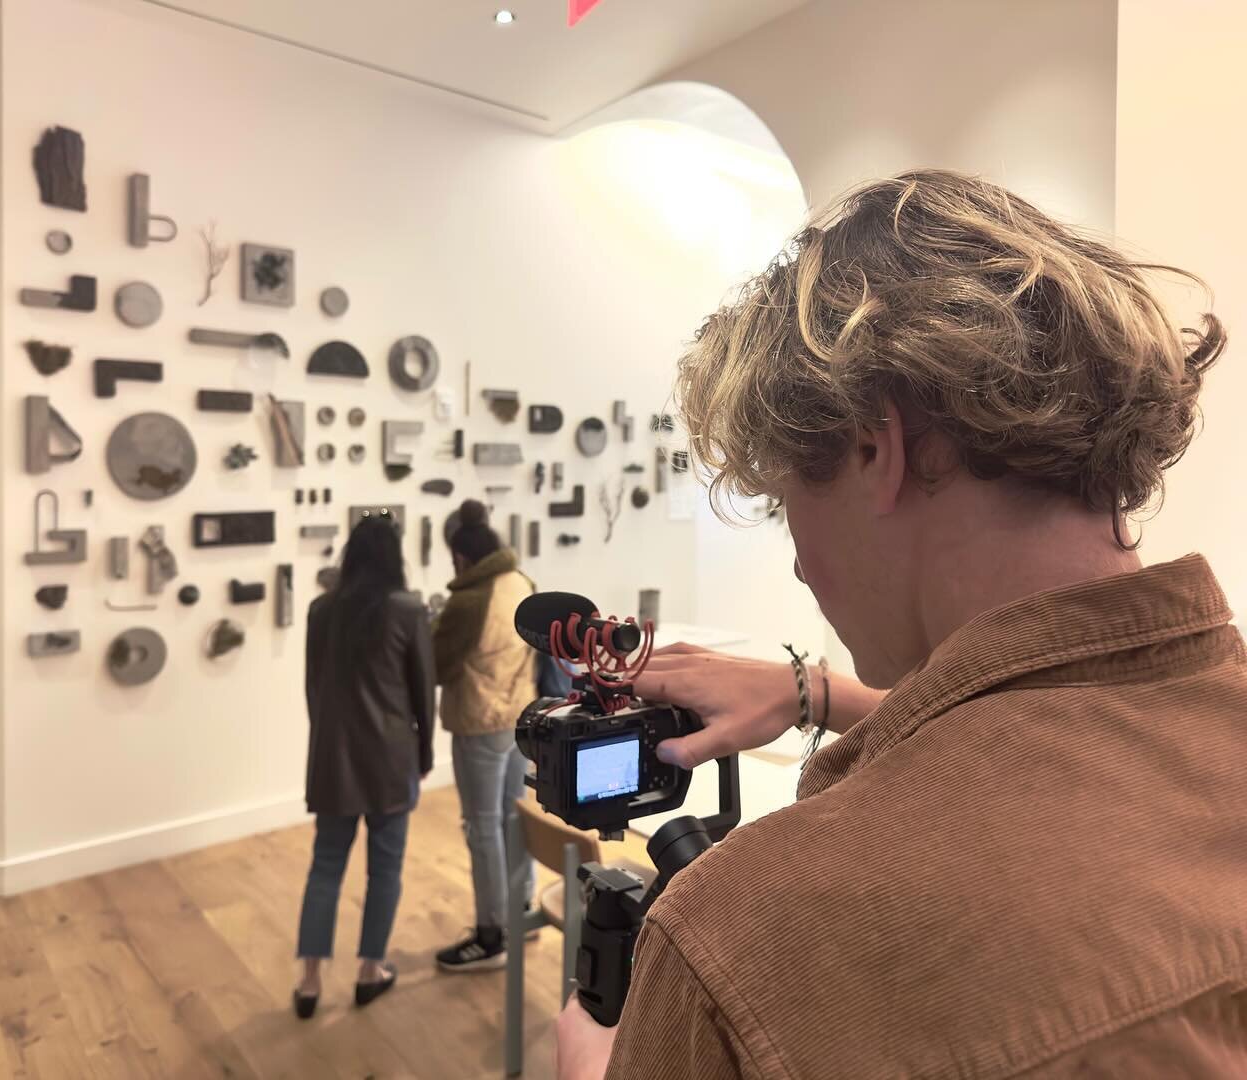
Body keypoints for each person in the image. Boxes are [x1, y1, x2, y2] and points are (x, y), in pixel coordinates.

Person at [557, 170, 1244, 1078]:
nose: (799, 559)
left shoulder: (745, 937)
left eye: (785, 498)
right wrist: (819, 695)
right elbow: (1044, 731)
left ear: (875, 447)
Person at [294, 513, 434, 1018]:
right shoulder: (407, 610)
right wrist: (425, 757)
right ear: (394, 557)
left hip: (334, 760)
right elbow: (423, 693)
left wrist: (327, 741)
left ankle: (309, 981)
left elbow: (314, 689)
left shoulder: (320, 610)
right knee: (385, 869)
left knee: (325, 865)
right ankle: (369, 970)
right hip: (391, 760)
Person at [432, 499, 539, 972]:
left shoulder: (467, 601)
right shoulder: (521, 582)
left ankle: (490, 932)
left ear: (460, 556)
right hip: (521, 717)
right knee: (514, 817)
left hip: (479, 723)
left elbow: (437, 664)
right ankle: (521, 912)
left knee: (481, 826)